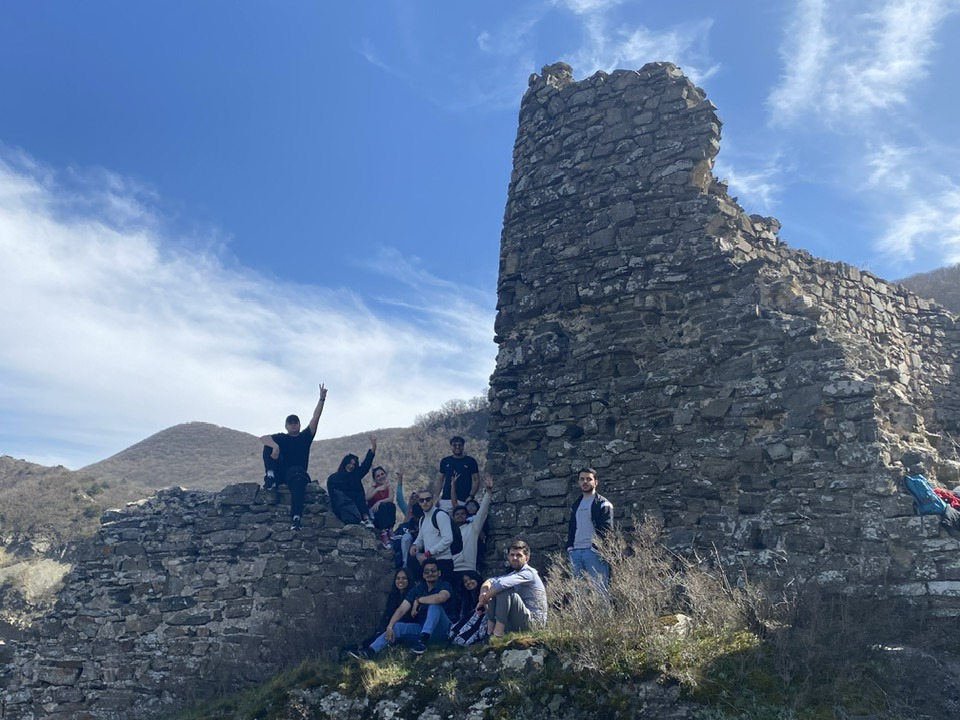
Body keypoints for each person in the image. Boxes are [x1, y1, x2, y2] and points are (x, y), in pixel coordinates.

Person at [259, 383, 327, 530]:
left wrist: (321, 399)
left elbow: (315, 418)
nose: (293, 424)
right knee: (268, 445)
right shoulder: (281, 437)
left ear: (299, 424)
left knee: (297, 478)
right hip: (280, 471)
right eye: (290, 423)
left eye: (296, 422)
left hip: (296, 472)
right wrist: (275, 446)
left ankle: (296, 518)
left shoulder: (305, 437)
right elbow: (263, 438)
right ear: (286, 426)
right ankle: (270, 476)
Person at [352, 559, 453, 658]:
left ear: (439, 573)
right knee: (398, 626)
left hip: (443, 630)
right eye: (427, 571)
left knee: (434, 606)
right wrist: (390, 627)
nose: (430, 573)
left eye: (433, 571)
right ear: (423, 575)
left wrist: (418, 600)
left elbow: (441, 598)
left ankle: (422, 642)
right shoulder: (418, 589)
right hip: (422, 629)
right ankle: (370, 651)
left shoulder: (444, 585)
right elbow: (401, 609)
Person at [476, 539, 547, 637]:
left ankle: (498, 634)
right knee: (494, 590)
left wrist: (482, 602)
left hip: (534, 623)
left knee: (504, 590)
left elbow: (501, 584)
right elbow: (490, 581)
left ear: (527, 558)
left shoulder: (529, 573)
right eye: (512, 555)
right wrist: (483, 594)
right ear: (508, 557)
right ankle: (489, 634)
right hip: (518, 619)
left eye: (519, 555)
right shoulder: (513, 574)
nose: (515, 558)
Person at [565, 467, 614, 592]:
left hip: (594, 553)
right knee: (578, 593)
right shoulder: (575, 505)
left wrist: (596, 548)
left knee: (600, 591)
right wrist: (570, 548)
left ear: (596, 482)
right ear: (578, 482)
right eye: (582, 479)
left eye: (589, 479)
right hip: (575, 553)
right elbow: (572, 528)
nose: (585, 482)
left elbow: (607, 529)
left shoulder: (603, 503)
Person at [352, 568, 415, 653]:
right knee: (378, 634)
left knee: (385, 634)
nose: (400, 581)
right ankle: (358, 649)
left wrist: (390, 626)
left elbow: (406, 615)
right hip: (390, 625)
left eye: (404, 578)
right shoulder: (393, 595)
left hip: (403, 627)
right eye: (398, 578)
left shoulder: (412, 595)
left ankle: (365, 651)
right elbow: (387, 614)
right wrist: (382, 628)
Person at [327, 436, 377, 528]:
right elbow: (334, 497)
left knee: (358, 492)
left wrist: (373, 448)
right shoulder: (333, 478)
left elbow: (366, 464)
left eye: (354, 464)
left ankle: (365, 518)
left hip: (358, 505)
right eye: (349, 463)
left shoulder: (355, 476)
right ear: (344, 463)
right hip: (343, 507)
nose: (351, 466)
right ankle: (358, 517)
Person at [411, 489, 456, 592]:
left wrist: (429, 553)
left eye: (427, 499)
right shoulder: (422, 519)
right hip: (430, 563)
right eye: (421, 500)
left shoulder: (440, 515)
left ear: (432, 500)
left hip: (443, 562)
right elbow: (421, 538)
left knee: (444, 594)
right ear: (419, 502)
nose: (425, 502)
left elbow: (448, 539)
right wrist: (415, 545)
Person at [453, 472, 493, 585]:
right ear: (453, 517)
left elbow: (482, 512)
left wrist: (488, 492)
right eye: (457, 514)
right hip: (452, 569)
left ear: (467, 516)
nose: (460, 516)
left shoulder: (473, 528)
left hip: (469, 568)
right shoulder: (448, 532)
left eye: (463, 514)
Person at [436, 436, 480, 512]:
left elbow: (477, 480)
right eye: (454, 445)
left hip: (463, 500)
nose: (457, 447)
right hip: (446, 499)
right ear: (451, 446)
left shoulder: (470, 461)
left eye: (460, 445)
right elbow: (440, 480)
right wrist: (436, 496)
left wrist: (471, 496)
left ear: (463, 446)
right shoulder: (445, 461)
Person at [448, 570, 488, 647]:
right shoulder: (466, 598)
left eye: (471, 579)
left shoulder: (485, 594)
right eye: (465, 581)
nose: (468, 582)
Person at [366, 466, 397, 548]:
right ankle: (383, 533)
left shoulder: (389, 487)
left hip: (385, 514)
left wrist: (379, 501)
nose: (381, 477)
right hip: (375, 515)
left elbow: (390, 499)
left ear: (385, 475)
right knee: (381, 507)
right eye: (378, 476)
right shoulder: (372, 488)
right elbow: (366, 498)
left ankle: (390, 529)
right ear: (375, 479)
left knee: (391, 505)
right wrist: (377, 489)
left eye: (382, 474)